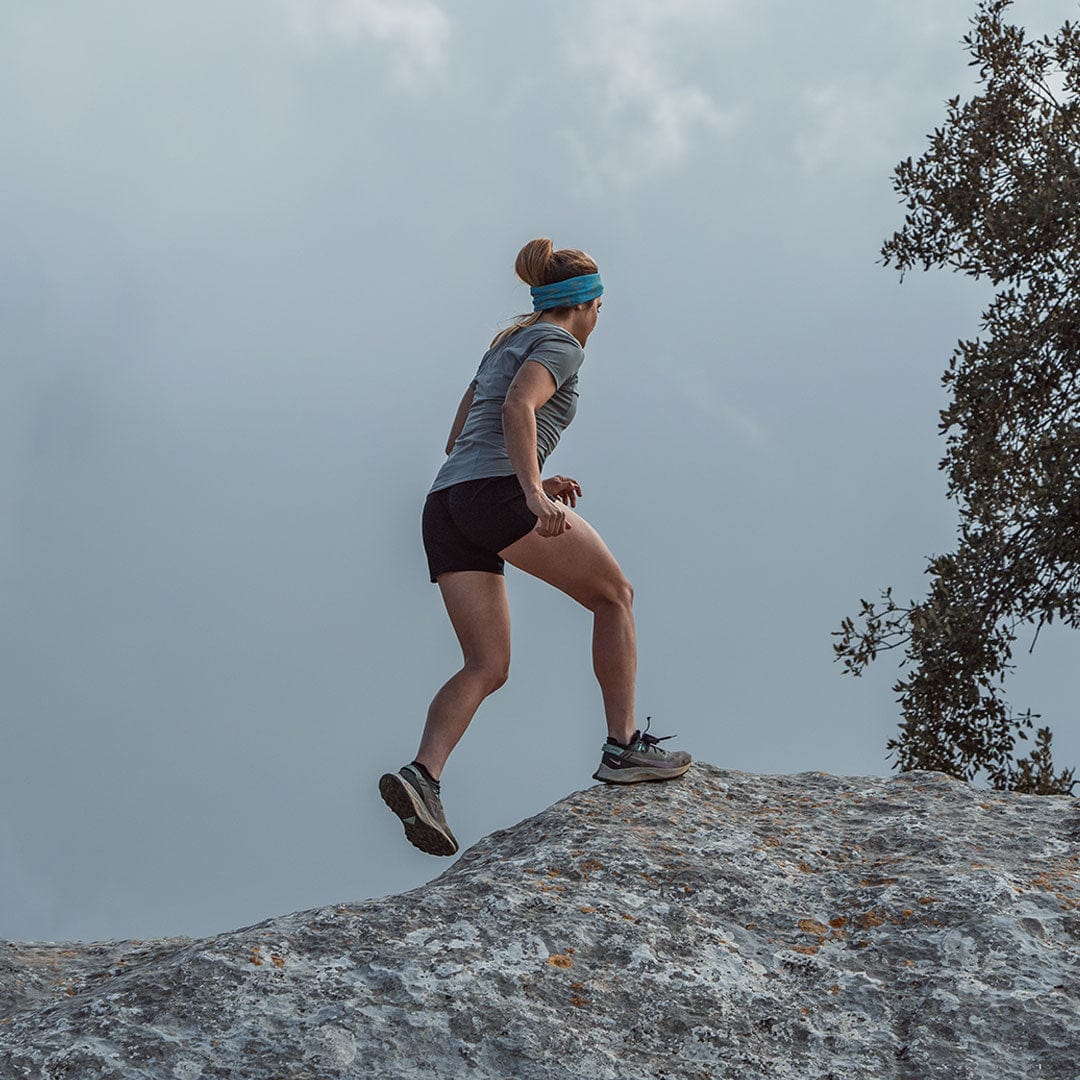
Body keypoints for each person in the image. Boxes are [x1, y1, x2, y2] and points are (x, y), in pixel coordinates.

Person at [379, 238, 691, 856]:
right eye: (601, 308)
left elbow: (458, 438)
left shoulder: (502, 347)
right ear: (587, 304)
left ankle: (423, 775)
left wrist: (531, 476)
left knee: (486, 664)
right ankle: (623, 747)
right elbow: (521, 406)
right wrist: (532, 491)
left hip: (446, 504)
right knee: (615, 596)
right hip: (497, 493)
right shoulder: (561, 344)